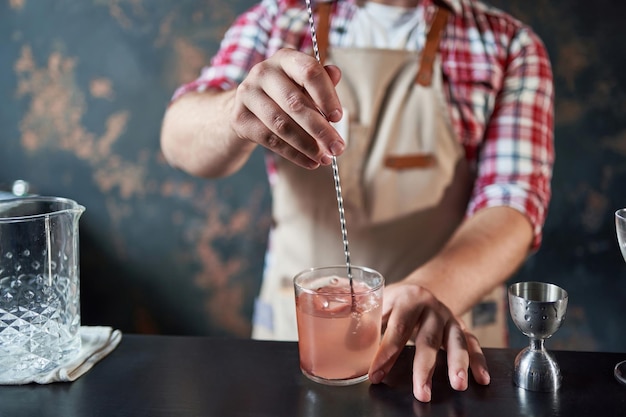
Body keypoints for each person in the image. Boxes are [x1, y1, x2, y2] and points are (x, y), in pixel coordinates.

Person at [160, 0, 554, 402]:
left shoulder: (508, 44)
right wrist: (234, 110)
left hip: (437, 353)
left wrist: (423, 292)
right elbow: (177, 138)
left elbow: (513, 205)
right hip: (298, 346)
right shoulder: (281, 18)